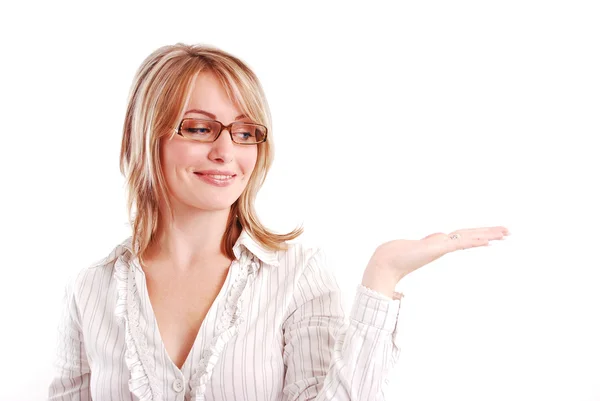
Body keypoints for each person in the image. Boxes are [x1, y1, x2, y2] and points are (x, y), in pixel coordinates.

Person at [47, 43, 509, 401]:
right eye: (200, 127)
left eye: (245, 132)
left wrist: (382, 277)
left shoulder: (297, 275)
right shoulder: (92, 289)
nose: (226, 150)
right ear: (146, 136)